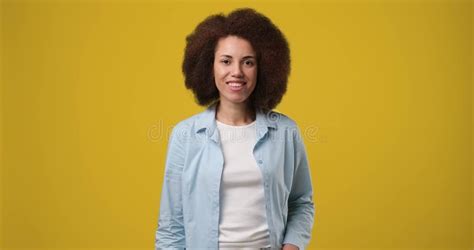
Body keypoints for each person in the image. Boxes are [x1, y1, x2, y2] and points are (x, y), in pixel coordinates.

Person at [155, 8, 315, 250]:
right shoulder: (184, 136)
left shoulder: (286, 132)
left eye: (248, 62)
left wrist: (292, 246)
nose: (237, 72)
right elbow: (171, 226)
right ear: (209, 66)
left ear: (263, 68)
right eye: (226, 61)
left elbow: (301, 202)